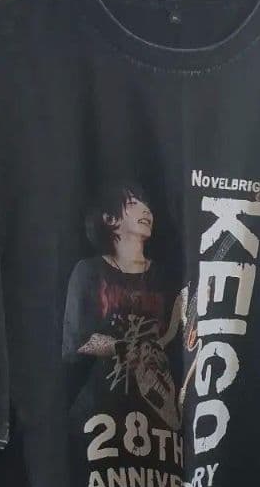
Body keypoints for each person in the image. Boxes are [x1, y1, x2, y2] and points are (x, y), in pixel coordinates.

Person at [62, 181, 182, 430]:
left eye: (146, 204)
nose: (146, 210)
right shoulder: (88, 272)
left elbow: (174, 338)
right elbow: (77, 342)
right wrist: (121, 347)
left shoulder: (166, 278)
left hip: (157, 414)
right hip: (98, 415)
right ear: (110, 219)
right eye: (133, 203)